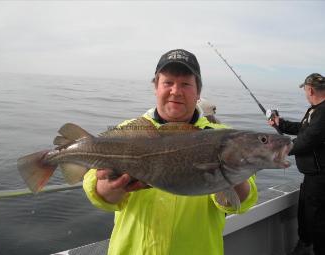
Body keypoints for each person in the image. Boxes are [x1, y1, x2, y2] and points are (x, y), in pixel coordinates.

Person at [83, 49, 258, 255]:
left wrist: (226, 171)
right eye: (168, 83)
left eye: (185, 84)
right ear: (155, 87)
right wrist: (106, 189)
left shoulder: (224, 137)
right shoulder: (127, 131)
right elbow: (92, 185)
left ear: (198, 92)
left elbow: (242, 202)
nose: (176, 91)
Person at [268, 73, 325, 255]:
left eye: (305, 90)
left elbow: (308, 139)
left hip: (320, 179)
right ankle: (305, 245)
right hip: (312, 177)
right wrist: (280, 124)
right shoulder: (316, 110)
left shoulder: (323, 112)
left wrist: (279, 150)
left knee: (317, 223)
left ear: (310, 89)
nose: (305, 93)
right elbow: (303, 130)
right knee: (306, 216)